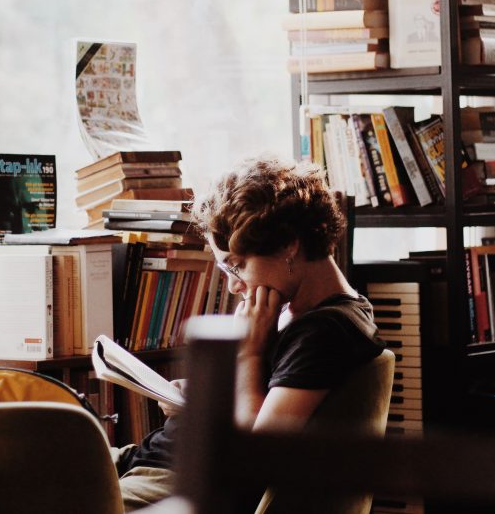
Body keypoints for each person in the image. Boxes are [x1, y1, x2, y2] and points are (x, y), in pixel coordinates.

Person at [113, 156, 386, 512]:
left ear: (289, 244)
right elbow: (260, 400)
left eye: (238, 266)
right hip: (152, 462)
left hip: (173, 481)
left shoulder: (325, 331)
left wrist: (249, 354)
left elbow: (256, 456)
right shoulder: (300, 314)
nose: (233, 286)